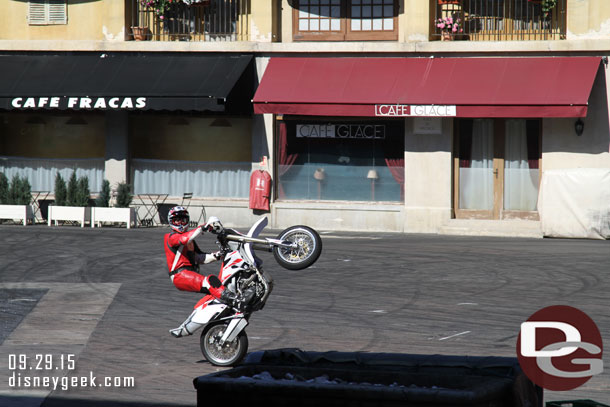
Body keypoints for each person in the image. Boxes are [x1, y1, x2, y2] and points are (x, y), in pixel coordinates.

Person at [164, 206, 233, 338]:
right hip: (180, 274)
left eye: (183, 220)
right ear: (171, 222)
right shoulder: (170, 237)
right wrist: (204, 227)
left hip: (188, 273)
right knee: (210, 281)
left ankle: (198, 320)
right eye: (177, 220)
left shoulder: (190, 240)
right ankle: (233, 300)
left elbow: (199, 258)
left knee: (215, 291)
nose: (180, 223)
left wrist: (219, 255)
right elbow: (185, 239)